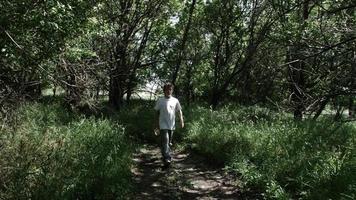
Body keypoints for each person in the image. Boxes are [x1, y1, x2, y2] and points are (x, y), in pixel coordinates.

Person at [154, 83, 184, 167]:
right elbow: (156, 113)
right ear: (164, 90)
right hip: (162, 124)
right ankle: (167, 158)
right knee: (166, 140)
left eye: (170, 89)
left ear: (172, 90)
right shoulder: (160, 100)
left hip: (172, 125)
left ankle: (164, 152)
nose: (168, 91)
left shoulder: (175, 100)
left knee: (168, 142)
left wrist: (181, 120)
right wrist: (156, 124)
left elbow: (179, 111)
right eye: (167, 89)